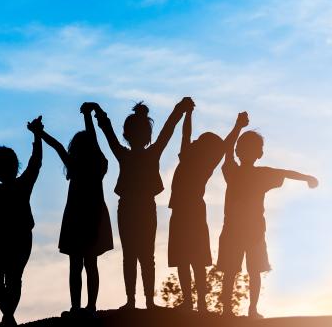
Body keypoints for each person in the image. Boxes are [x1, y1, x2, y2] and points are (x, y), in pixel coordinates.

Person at [217, 112, 319, 318]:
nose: (244, 151)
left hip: (252, 232)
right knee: (233, 272)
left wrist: (307, 177)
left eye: (249, 149)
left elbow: (286, 172)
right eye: (242, 148)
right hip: (238, 232)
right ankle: (230, 310)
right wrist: (237, 127)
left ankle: (250, 309)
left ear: (258, 153)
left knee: (249, 272)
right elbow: (227, 150)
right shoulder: (234, 171)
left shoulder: (251, 173)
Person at [95, 98, 193, 310]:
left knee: (131, 255)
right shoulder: (152, 153)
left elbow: (108, 132)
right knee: (145, 256)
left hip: (130, 208)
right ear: (147, 135)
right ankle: (146, 301)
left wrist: (99, 112)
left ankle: (134, 300)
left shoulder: (124, 154)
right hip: (144, 208)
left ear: (127, 134)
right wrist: (179, 109)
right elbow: (168, 129)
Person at [36, 103, 113, 317]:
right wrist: (88, 115)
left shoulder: (78, 165)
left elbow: (59, 146)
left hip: (77, 217)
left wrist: (39, 133)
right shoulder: (98, 165)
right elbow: (89, 141)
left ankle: (77, 307)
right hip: (94, 216)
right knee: (91, 264)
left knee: (76, 265)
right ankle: (90, 307)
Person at [167, 102, 227, 312]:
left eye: (198, 140)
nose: (192, 140)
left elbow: (187, 135)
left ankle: (197, 301)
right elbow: (186, 134)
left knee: (193, 258)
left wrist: (189, 114)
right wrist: (188, 114)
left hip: (189, 211)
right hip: (184, 211)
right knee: (188, 259)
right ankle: (193, 301)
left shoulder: (200, 163)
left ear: (203, 149)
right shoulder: (192, 159)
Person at [0, 116, 43, 325]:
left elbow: (35, 163)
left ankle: (8, 315)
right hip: (5, 239)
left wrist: (37, 136)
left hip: (18, 237)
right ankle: (8, 313)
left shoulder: (20, 185)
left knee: (12, 277)